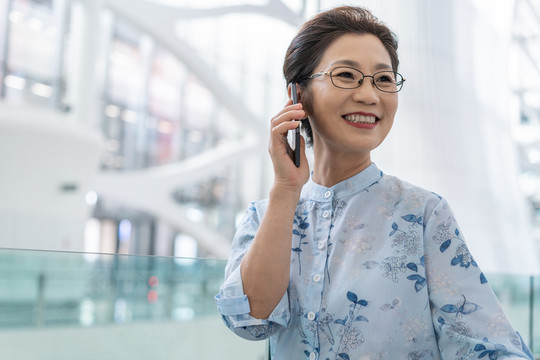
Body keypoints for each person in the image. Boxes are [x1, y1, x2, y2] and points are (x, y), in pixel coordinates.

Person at [215, 6, 534, 360]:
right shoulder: (264, 216)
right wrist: (286, 190)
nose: (369, 95)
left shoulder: (423, 215)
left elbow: (492, 348)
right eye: (347, 75)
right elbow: (250, 321)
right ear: (297, 95)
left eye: (383, 79)